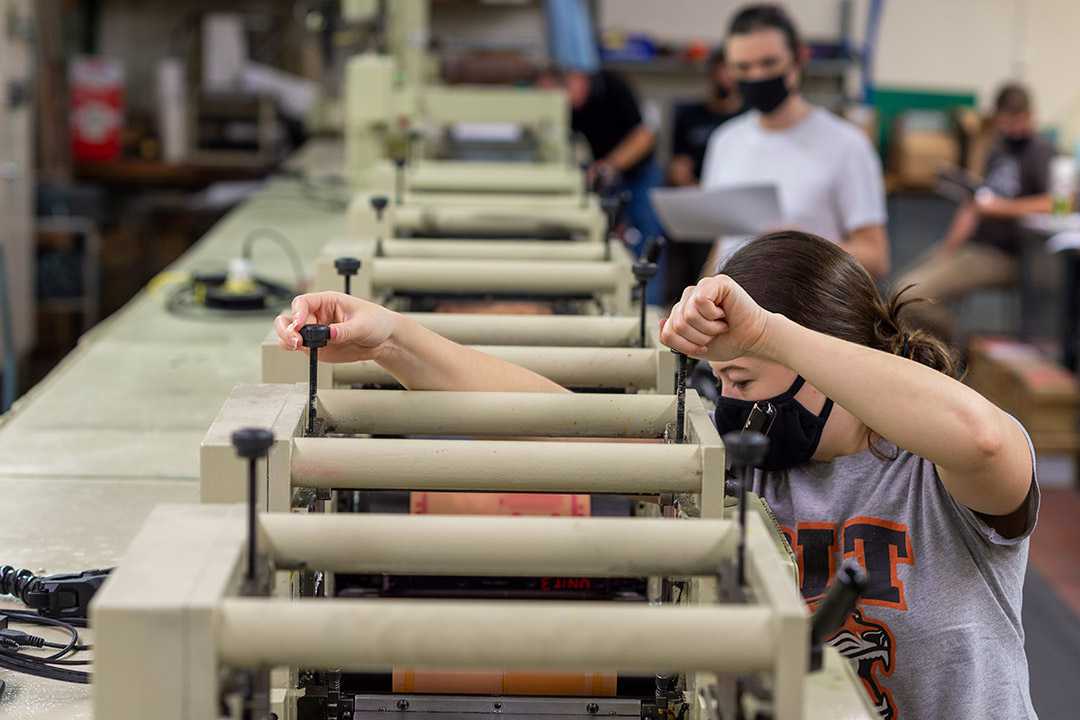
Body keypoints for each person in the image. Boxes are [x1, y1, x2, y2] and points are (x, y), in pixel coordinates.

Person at [275, 231, 1038, 720]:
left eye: (744, 380)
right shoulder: (749, 469)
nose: (730, 404)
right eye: (722, 382)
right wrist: (393, 340)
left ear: (827, 360)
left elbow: (986, 440)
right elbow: (556, 422)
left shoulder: (932, 478)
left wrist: (772, 332)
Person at [700, 4, 890, 279]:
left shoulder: (847, 145)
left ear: (799, 58)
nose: (756, 76)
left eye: (769, 63)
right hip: (731, 312)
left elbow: (877, 258)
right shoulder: (725, 141)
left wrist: (802, 247)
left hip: (804, 315)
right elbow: (723, 242)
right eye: (742, 67)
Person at [896, 83, 1055, 341]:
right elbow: (974, 204)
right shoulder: (998, 149)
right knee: (898, 291)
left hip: (1007, 255)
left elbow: (1054, 202)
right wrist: (948, 248)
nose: (1012, 129)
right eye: (1007, 122)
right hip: (975, 245)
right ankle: (951, 345)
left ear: (1030, 116)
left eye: (1018, 121)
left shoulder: (1040, 152)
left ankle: (964, 345)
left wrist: (1001, 208)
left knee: (908, 298)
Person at [537, 66, 667, 303]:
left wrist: (609, 166)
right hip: (605, 178)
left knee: (646, 240)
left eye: (557, 94)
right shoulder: (569, 109)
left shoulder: (611, 85)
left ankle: (649, 305)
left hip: (638, 174)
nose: (558, 103)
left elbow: (644, 137)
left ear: (576, 80)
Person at [668, 45, 744, 188]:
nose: (727, 75)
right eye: (723, 68)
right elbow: (679, 170)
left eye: (733, 68)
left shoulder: (750, 119)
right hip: (696, 191)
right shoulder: (690, 116)